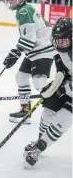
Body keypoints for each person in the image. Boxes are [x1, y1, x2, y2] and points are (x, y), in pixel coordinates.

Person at [3, 0, 56, 124]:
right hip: (36, 49)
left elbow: (30, 37)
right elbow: (30, 38)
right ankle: (26, 110)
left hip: (43, 49)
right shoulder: (25, 9)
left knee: (39, 81)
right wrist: (18, 51)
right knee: (21, 77)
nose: (10, 2)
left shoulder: (24, 10)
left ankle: (57, 107)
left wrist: (16, 51)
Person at [24, 17, 72, 166]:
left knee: (65, 117)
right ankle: (40, 140)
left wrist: (63, 88)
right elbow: (62, 69)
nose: (60, 44)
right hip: (68, 85)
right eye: (58, 40)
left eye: (64, 41)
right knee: (48, 109)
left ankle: (39, 147)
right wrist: (53, 86)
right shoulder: (59, 50)